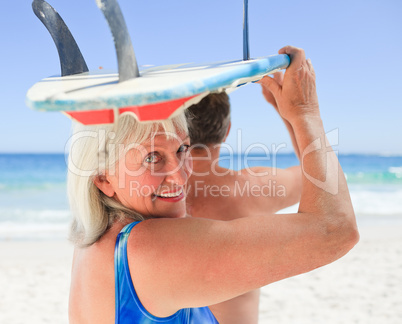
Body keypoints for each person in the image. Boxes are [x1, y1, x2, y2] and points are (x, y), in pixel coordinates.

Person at [68, 46, 359, 324]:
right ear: (103, 178)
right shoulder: (150, 248)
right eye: (152, 157)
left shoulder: (95, 238)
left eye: (182, 148)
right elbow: (335, 223)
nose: (180, 176)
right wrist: (303, 114)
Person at [184, 79, 302, 323]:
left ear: (179, 130)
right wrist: (286, 110)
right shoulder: (254, 189)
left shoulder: (151, 195)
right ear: (227, 131)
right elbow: (321, 177)